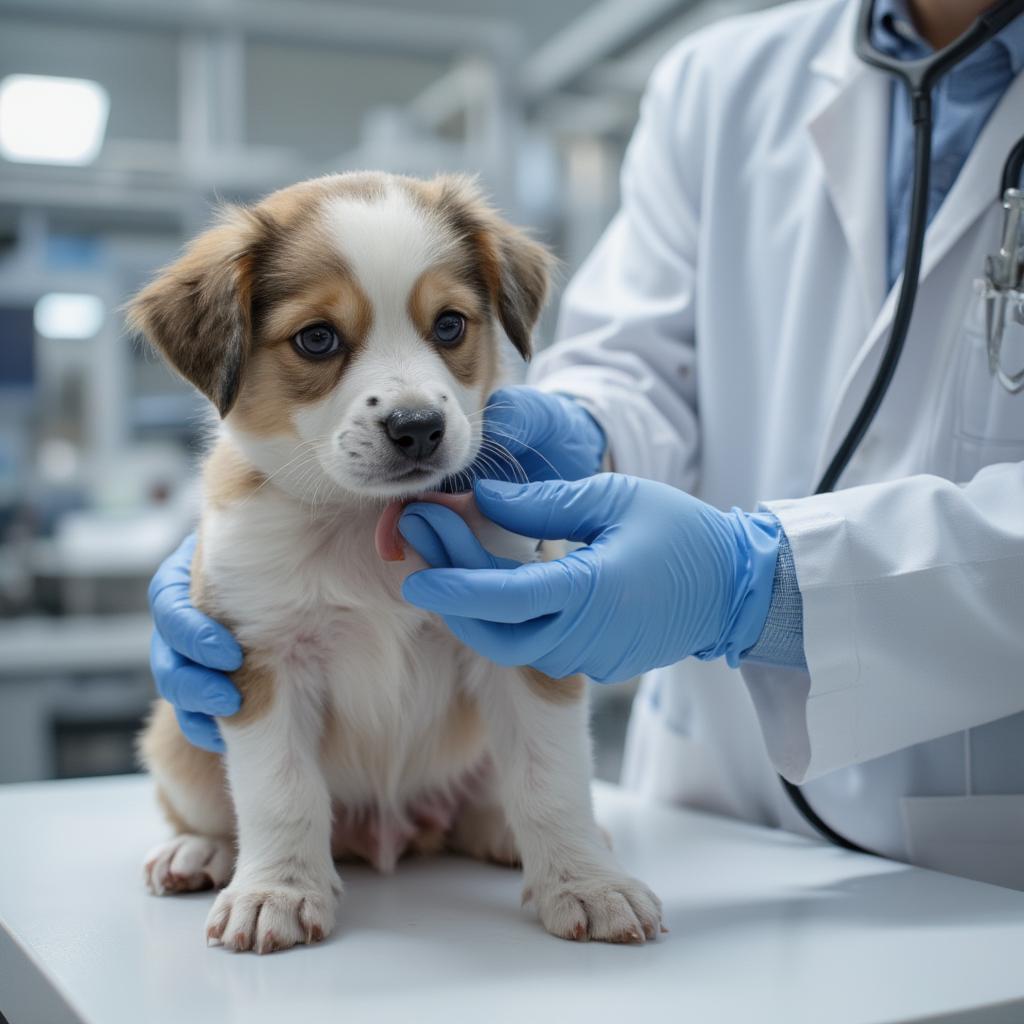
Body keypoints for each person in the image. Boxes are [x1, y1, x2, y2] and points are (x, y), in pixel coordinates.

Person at [148, 0, 1024, 888]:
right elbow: (636, 357)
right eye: (319, 340)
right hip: (717, 812)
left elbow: (519, 676)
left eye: (450, 327)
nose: (408, 403)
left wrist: (756, 584)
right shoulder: (720, 77)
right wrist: (583, 432)